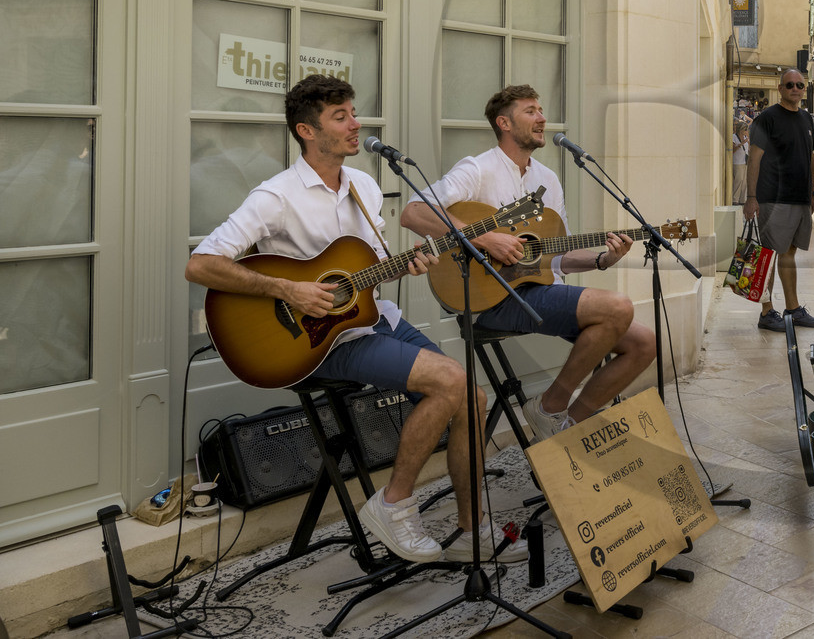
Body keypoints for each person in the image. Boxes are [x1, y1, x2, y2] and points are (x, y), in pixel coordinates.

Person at [186, 75, 526, 565]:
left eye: (353, 112)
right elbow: (200, 264)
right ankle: (392, 506)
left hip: (369, 320)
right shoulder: (276, 196)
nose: (355, 124)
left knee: (470, 395)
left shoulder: (364, 186)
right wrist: (288, 288)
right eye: (340, 116)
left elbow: (369, 273)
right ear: (306, 130)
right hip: (317, 342)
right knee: (451, 380)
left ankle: (473, 528)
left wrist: (412, 262)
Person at [399, 85, 654, 440]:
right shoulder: (477, 169)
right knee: (618, 305)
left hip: (540, 291)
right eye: (531, 111)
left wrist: (603, 258)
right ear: (504, 123)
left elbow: (555, 255)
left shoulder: (546, 179)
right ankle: (549, 406)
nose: (542, 118)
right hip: (491, 297)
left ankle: (565, 428)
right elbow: (413, 212)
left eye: (541, 110)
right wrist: (483, 237)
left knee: (644, 343)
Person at [742, 68, 814, 332]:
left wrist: (811, 190)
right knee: (768, 256)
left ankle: (793, 308)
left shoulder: (806, 118)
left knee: (789, 253)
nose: (795, 89)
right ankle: (766, 311)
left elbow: (811, 157)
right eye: (790, 84)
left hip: (800, 198)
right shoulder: (767, 119)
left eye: (800, 85)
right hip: (773, 198)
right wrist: (751, 197)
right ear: (780, 89)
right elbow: (754, 159)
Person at [730, 122, 750, 205]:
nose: (746, 131)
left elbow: (748, 149)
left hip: (745, 162)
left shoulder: (746, 137)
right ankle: (735, 199)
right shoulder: (734, 137)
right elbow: (732, 150)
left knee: (744, 182)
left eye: (746, 129)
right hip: (737, 162)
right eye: (745, 129)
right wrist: (741, 143)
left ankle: (742, 200)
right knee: (738, 180)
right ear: (740, 129)